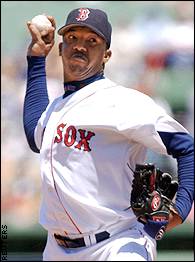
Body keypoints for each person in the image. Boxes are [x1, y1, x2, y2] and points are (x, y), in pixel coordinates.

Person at [23, 8, 194, 261]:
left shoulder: (123, 102)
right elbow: (34, 135)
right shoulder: (57, 108)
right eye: (73, 38)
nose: (80, 46)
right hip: (57, 250)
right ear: (60, 48)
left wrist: (179, 210)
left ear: (107, 55)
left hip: (117, 245)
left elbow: (187, 148)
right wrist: (36, 59)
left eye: (92, 41)